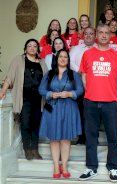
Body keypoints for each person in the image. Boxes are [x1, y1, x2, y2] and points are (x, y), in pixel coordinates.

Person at [78, 24, 117, 182]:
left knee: (112, 136)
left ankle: (113, 168)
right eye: (101, 32)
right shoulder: (88, 54)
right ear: (96, 35)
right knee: (91, 136)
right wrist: (91, 91)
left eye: (107, 33)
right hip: (90, 102)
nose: (104, 35)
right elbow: (84, 76)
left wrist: (113, 94)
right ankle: (91, 168)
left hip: (110, 103)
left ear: (110, 35)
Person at [39, 49, 83, 179]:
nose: (63, 59)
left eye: (65, 57)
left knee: (65, 138)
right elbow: (41, 89)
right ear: (56, 59)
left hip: (69, 108)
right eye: (60, 57)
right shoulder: (49, 74)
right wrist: (50, 94)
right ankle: (56, 166)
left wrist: (69, 94)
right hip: (52, 108)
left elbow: (80, 89)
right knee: (53, 138)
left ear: (68, 60)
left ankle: (64, 166)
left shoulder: (73, 74)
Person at [0, 39, 47, 160]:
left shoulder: (42, 62)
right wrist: (3, 91)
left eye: (34, 46)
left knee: (36, 124)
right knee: (26, 123)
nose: (32, 48)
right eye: (29, 46)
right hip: (24, 98)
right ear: (25, 48)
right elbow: (10, 77)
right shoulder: (18, 60)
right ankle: (27, 149)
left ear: (37, 49)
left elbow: (47, 80)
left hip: (39, 99)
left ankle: (35, 150)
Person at [70, 27, 97, 145]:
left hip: (95, 84)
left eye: (91, 34)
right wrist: (80, 70)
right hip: (79, 83)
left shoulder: (99, 48)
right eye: (86, 34)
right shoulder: (76, 49)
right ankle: (81, 137)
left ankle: (92, 137)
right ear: (83, 35)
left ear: (95, 35)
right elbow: (69, 62)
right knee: (80, 111)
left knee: (93, 112)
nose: (89, 36)